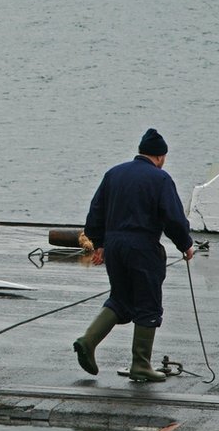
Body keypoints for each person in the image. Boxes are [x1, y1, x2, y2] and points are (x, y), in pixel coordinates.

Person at [74, 128, 194, 382]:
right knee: (147, 303)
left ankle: (88, 340)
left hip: (115, 246)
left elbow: (95, 212)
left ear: (140, 151)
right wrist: (186, 244)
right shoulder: (160, 179)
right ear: (160, 157)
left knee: (120, 299)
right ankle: (140, 364)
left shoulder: (114, 173)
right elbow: (173, 218)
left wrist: (100, 243)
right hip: (142, 247)